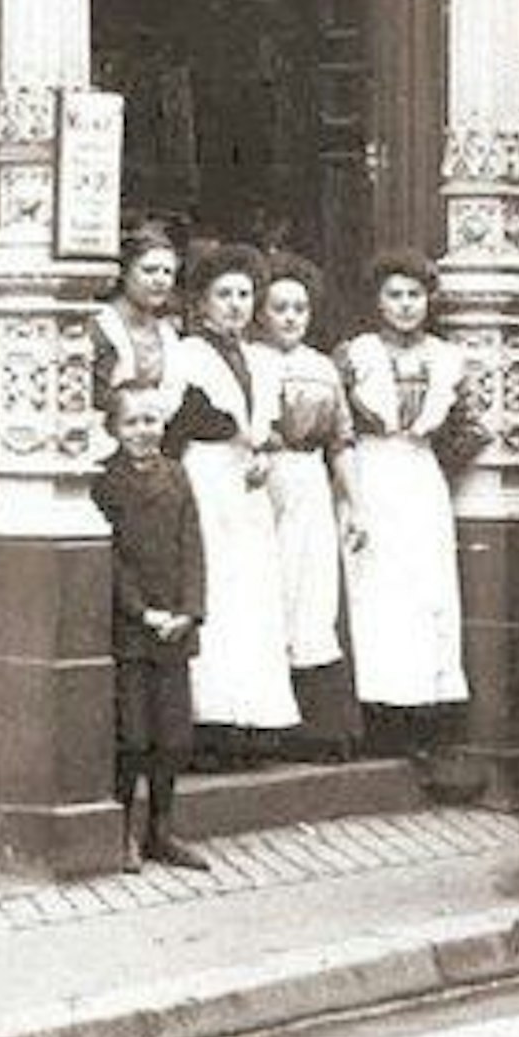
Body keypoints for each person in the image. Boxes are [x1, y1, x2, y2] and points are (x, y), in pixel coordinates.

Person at [335, 250, 472, 756]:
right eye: (395, 295)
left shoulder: (446, 357)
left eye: (415, 295)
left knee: (425, 590)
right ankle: (376, 715)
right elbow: (337, 424)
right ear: (377, 301)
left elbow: (466, 431)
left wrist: (434, 455)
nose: (406, 305)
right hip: (370, 474)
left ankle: (422, 714)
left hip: (420, 475)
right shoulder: (356, 354)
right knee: (374, 592)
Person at [167, 239, 298, 748]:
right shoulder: (188, 356)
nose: (236, 304)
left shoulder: (261, 359)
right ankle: (210, 719)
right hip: (206, 480)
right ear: (201, 301)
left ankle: (250, 718)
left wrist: (264, 452)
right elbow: (175, 425)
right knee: (214, 586)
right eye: (224, 294)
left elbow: (269, 425)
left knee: (251, 591)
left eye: (245, 294)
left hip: (248, 487)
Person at [95, 379, 210, 870]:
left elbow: (192, 547)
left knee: (174, 737)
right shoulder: (105, 481)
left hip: (175, 628)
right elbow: (113, 559)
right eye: (132, 422)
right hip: (134, 627)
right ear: (115, 428)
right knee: (134, 736)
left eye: (151, 421)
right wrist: (144, 612)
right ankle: (124, 832)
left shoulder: (179, 476)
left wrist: (189, 609)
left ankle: (161, 829)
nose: (144, 431)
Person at [259, 254, 359, 757]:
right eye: (280, 307)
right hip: (258, 481)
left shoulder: (322, 368)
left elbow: (341, 440)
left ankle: (316, 725)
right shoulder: (249, 361)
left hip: (308, 481)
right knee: (265, 589)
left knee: (311, 594)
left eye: (300, 308)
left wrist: (355, 504)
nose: (291, 317)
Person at [91, 222, 185, 428]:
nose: (160, 280)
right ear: (125, 274)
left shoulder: (168, 334)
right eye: (149, 270)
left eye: (167, 272)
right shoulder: (99, 323)